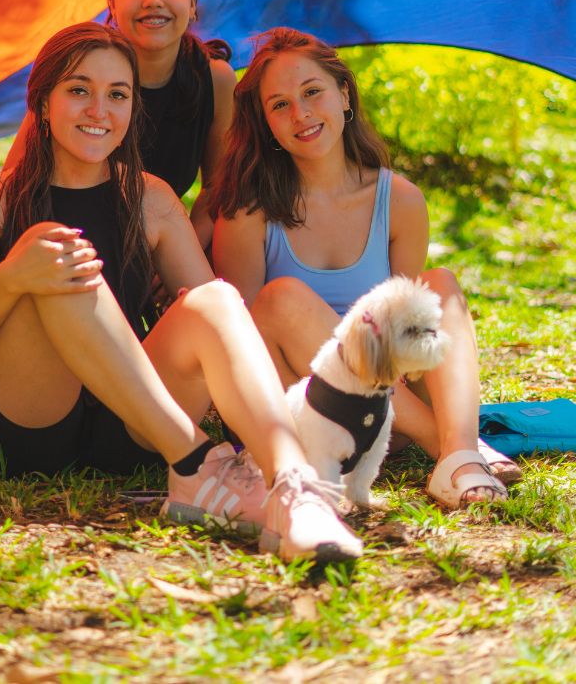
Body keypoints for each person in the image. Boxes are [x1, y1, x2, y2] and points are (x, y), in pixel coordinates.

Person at [0, 21, 363, 563]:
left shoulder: (151, 198)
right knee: (57, 251)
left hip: (130, 427)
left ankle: (294, 489)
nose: (99, 110)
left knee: (218, 299)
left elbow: (218, 326)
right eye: (79, 90)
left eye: (117, 95)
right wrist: (13, 277)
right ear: (42, 103)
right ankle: (197, 465)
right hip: (24, 426)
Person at [211, 27, 522, 510]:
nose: (301, 114)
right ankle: (452, 452)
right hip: (307, 415)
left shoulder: (398, 199)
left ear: (344, 95)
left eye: (312, 92)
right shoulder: (247, 213)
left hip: (389, 415)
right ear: (265, 122)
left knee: (436, 285)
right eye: (280, 105)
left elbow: (407, 330)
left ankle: (459, 450)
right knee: (280, 298)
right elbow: (242, 346)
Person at [5, 0, 235, 253]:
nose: (153, 0)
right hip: (62, 243)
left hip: (158, 241)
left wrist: (178, 251)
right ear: (112, 4)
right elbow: (14, 178)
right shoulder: (76, 66)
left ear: (193, 3)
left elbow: (218, 187)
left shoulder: (214, 79)